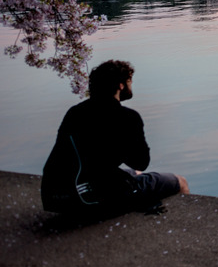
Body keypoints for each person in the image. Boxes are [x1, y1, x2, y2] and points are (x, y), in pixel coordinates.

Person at [41, 60, 188, 217]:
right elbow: (142, 162)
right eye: (130, 81)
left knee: (135, 173)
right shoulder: (128, 117)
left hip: (56, 198)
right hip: (91, 199)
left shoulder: (75, 112)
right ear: (120, 85)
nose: (131, 85)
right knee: (180, 182)